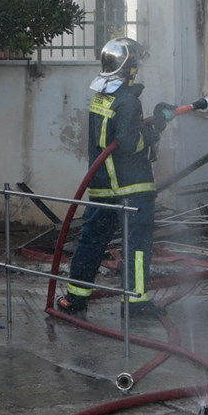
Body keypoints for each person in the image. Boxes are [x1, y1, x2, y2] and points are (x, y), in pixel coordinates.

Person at [58, 37, 182, 317]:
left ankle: (75, 299)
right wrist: (155, 129)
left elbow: (116, 135)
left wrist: (151, 121)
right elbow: (129, 143)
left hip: (102, 186)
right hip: (130, 187)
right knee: (137, 247)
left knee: (91, 243)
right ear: (131, 68)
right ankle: (135, 303)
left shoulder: (102, 95)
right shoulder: (127, 102)